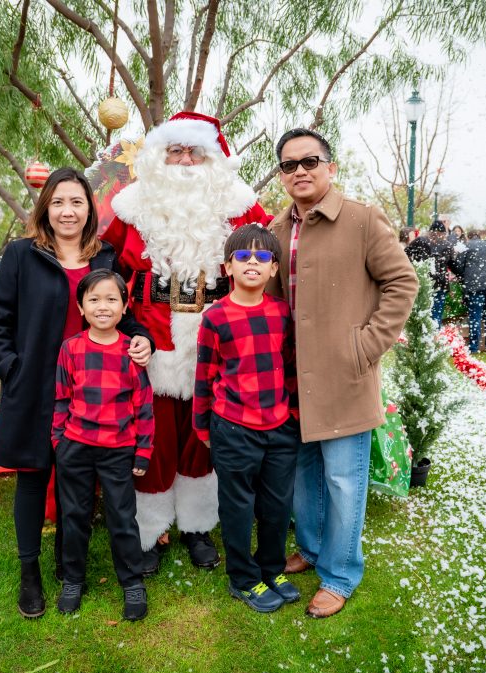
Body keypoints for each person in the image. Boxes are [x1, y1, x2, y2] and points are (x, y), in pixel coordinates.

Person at [102, 111, 273, 575]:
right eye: (174, 151)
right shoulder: (130, 206)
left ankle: (197, 526)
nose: (183, 161)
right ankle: (151, 528)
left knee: (204, 438)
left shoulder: (240, 205)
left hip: (215, 339)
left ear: (212, 158)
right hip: (151, 339)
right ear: (159, 156)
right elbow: (105, 269)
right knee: (153, 437)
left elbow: (268, 255)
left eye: (193, 151)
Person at [0, 167, 154, 619]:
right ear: (46, 209)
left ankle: (68, 564)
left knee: (76, 481)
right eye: (58, 202)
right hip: (35, 388)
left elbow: (120, 309)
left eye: (77, 202)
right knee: (34, 477)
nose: (67, 211)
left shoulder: (106, 258)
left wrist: (141, 339)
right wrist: (12, 370)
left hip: (94, 394)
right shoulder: (23, 256)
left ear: (89, 210)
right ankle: (30, 573)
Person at [267, 128, 417, 618]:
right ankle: (311, 550)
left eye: (310, 161)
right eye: (289, 165)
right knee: (301, 476)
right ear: (282, 175)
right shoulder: (275, 228)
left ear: (330, 167)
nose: (300, 171)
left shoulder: (361, 220)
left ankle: (341, 573)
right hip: (291, 378)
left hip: (344, 375)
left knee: (343, 480)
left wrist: (367, 346)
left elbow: (401, 282)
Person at [194, 224, 300, 613]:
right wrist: (203, 426)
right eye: (243, 256)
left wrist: (294, 415)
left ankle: (271, 567)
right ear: (228, 267)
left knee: (276, 505)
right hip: (233, 428)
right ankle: (243, 577)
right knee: (237, 505)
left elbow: (289, 367)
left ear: (274, 269)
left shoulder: (282, 313)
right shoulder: (216, 317)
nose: (252, 262)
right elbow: (204, 375)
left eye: (262, 257)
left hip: (279, 427)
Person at [52, 270, 154, 621]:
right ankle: (73, 579)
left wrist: (142, 451)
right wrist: (58, 440)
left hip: (118, 450)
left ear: (125, 307)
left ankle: (132, 582)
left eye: (112, 299)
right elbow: (62, 398)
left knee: (122, 518)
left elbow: (143, 405)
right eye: (94, 299)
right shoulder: (71, 349)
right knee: (74, 516)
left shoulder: (132, 352)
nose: (103, 306)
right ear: (81, 307)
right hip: (75, 448)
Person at [452, 230, 486, 353]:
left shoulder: (466, 246)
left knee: (475, 315)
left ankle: (474, 347)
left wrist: (461, 275)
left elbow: (459, 267)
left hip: (476, 285)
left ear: (469, 238)